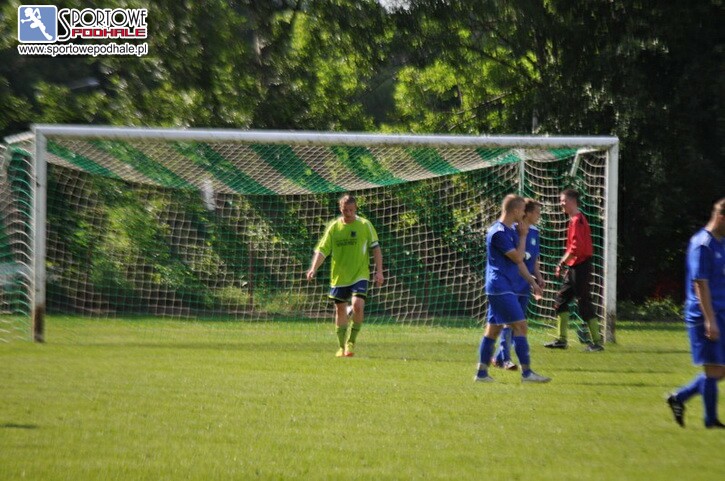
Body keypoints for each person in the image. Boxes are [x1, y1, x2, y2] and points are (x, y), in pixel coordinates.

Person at [475, 194, 550, 383]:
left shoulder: (509, 231)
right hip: (500, 286)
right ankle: (527, 373)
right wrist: (523, 236)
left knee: (493, 330)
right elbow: (518, 257)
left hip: (505, 286)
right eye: (523, 210)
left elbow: (520, 264)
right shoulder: (498, 232)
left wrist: (533, 282)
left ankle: (481, 374)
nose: (524, 214)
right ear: (515, 210)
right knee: (520, 326)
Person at [667, 198, 725, 428]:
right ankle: (710, 421)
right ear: (720, 218)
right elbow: (700, 284)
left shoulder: (720, 243)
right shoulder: (702, 244)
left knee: (720, 369)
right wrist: (710, 320)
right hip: (704, 315)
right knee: (713, 368)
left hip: (720, 312)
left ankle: (679, 398)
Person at [306, 194, 384, 357]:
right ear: (340, 209)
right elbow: (322, 250)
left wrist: (379, 271)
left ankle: (351, 343)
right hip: (340, 276)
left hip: (360, 274)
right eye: (345, 210)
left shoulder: (365, 225)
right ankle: (341, 347)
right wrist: (313, 268)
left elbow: (376, 248)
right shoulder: (334, 228)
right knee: (340, 309)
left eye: (351, 210)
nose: (348, 213)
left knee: (358, 305)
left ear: (355, 209)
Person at [545, 189, 603, 351]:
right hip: (575, 266)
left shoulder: (578, 220)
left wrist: (562, 262)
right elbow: (573, 248)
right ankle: (561, 340)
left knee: (584, 301)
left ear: (572, 201)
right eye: (561, 200)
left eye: (563, 200)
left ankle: (597, 343)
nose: (561, 203)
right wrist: (567, 265)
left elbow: (576, 248)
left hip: (581, 266)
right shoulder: (573, 220)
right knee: (561, 300)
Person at [493, 199, 545, 371]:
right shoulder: (514, 230)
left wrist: (538, 276)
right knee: (510, 321)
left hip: (525, 283)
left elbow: (534, 258)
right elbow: (516, 258)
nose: (538, 216)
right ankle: (505, 359)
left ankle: (499, 358)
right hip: (512, 282)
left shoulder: (534, 232)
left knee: (518, 321)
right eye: (536, 212)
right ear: (527, 213)